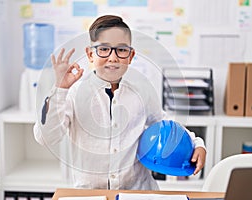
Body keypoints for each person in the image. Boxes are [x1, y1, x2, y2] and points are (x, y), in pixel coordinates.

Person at [33, 15, 206, 190]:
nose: (113, 58)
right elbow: (46, 137)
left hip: (137, 190)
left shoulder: (142, 91)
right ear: (90, 54)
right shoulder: (74, 93)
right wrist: (60, 89)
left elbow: (164, 124)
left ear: (130, 56)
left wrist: (197, 144)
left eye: (121, 50)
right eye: (104, 49)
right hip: (91, 193)